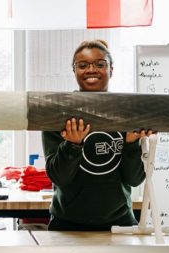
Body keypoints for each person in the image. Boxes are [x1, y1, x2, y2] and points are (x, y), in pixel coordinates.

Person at [43, 40, 154, 231]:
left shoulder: (126, 113)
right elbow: (58, 178)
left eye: (100, 64)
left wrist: (130, 144)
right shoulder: (59, 114)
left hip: (120, 225)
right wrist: (72, 145)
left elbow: (134, 179)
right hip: (68, 225)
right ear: (74, 71)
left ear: (111, 70)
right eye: (83, 65)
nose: (91, 70)